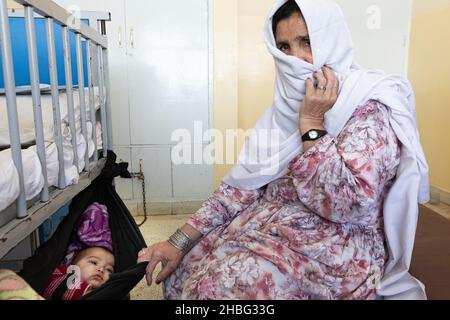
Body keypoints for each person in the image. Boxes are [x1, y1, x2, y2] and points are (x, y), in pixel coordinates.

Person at [138, 0, 429, 300]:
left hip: (332, 247)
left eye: (307, 42)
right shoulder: (283, 109)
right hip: (270, 224)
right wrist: (177, 242)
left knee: (216, 290)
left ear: (332, 39)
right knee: (181, 271)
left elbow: (347, 205)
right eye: (285, 47)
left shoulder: (369, 108)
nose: (296, 58)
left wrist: (312, 123)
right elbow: (241, 189)